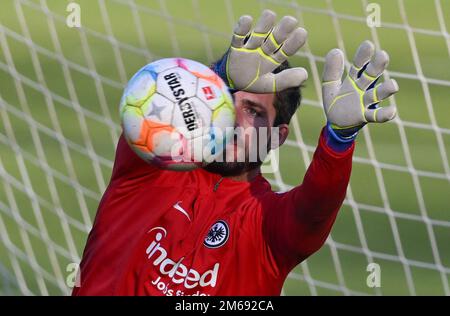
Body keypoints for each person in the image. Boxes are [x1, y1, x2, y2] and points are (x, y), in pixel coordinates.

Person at [73, 10, 399, 296]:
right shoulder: (152, 167)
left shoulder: (269, 225)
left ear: (276, 137)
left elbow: (316, 205)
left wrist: (338, 140)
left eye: (254, 111)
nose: (232, 117)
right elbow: (161, 103)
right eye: (227, 101)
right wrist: (219, 78)